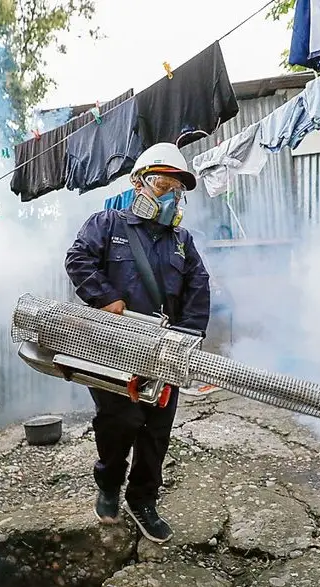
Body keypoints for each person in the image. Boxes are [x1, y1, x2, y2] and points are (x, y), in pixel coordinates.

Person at [64, 142, 211, 543]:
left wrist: (190, 337)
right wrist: (105, 297)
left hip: (165, 352)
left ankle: (143, 499)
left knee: (156, 428)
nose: (169, 195)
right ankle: (109, 485)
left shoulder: (182, 241)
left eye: (176, 189)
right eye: (162, 184)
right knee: (120, 422)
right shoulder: (107, 224)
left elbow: (198, 288)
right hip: (113, 348)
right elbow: (78, 258)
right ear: (138, 184)